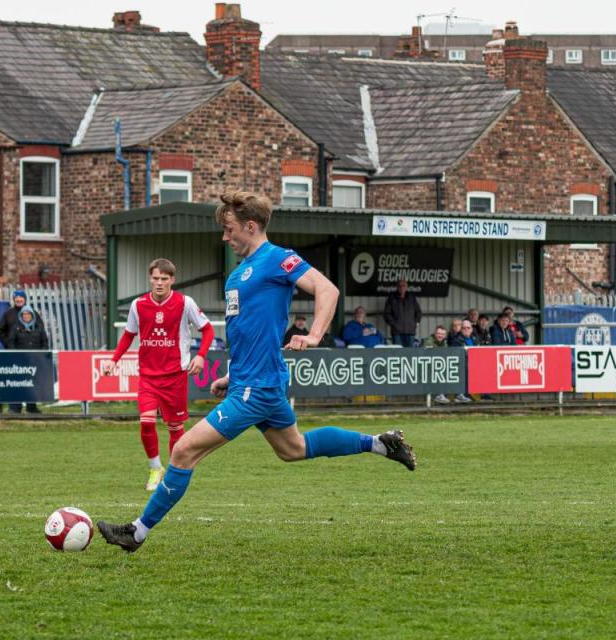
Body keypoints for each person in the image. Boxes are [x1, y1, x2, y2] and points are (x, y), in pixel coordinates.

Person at [97, 190, 416, 553]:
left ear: (250, 226)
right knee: (294, 448)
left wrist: (313, 335)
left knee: (183, 450)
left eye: (229, 229)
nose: (224, 236)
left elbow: (327, 289)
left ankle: (136, 533)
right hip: (250, 381)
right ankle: (379, 444)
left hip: (259, 387)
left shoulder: (278, 259)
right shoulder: (237, 276)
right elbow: (251, 333)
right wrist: (232, 375)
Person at [104, 258, 215, 491]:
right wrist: (114, 360)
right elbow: (128, 335)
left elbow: (207, 330)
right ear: (150, 278)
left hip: (175, 376)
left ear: (172, 280)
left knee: (175, 428)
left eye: (164, 279)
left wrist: (201, 355)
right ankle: (155, 468)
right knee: (146, 422)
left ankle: (175, 472)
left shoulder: (185, 303)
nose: (159, 283)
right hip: (148, 376)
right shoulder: (138, 305)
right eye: (155, 278)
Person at [8, 305, 49, 415]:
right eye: (24, 314)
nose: (26, 316)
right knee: (18, 384)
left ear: (32, 316)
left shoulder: (39, 328)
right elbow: (11, 343)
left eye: (28, 314)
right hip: (20, 362)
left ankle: (31, 407)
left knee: (32, 384)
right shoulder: (15, 328)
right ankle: (15, 407)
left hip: (35, 362)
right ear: (21, 316)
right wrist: (16, 355)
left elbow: (45, 343)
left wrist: (41, 354)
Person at [383, 279, 421, 347]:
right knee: (398, 354)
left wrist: (416, 323)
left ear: (406, 287)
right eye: (400, 286)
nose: (402, 287)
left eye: (404, 285)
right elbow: (387, 314)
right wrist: (394, 325)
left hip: (410, 332)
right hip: (397, 333)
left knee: (410, 354)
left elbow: (418, 312)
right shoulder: (391, 298)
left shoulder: (412, 297)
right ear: (397, 287)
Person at [424, 325, 450, 404]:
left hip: (439, 365)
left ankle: (444, 395)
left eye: (442, 334)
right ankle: (439, 395)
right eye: (438, 333)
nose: (440, 336)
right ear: (435, 333)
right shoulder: (429, 341)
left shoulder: (445, 342)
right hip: (427, 366)